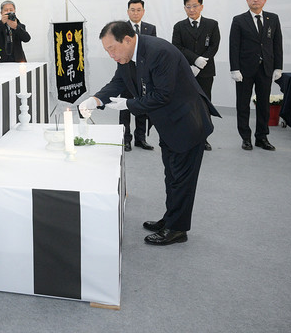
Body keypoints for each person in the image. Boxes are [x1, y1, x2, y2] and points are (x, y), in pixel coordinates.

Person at [79, 21, 219, 246]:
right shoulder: (127, 57)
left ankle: (177, 229)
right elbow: (118, 82)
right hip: (168, 124)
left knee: (182, 180)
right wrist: (95, 100)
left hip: (186, 122)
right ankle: (170, 219)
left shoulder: (159, 52)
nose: (111, 55)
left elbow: (163, 95)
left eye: (112, 49)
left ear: (127, 40)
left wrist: (128, 104)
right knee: (171, 175)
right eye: (107, 51)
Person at [229, 0, 283, 151]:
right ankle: (245, 138)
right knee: (243, 105)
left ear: (265, 0)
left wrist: (278, 67)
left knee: (263, 105)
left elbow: (277, 44)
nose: (255, 0)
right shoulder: (239, 20)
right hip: (244, 69)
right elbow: (234, 46)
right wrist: (234, 69)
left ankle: (262, 137)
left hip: (266, 68)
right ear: (247, 0)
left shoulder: (273, 18)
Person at [172, 0, 220, 151]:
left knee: (204, 104)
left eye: (194, 6)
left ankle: (203, 138)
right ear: (184, 8)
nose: (191, 9)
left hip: (206, 72)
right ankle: (187, 136)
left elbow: (214, 46)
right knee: (186, 104)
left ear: (201, 6)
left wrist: (200, 63)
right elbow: (177, 47)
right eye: (188, 7)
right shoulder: (179, 26)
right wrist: (194, 60)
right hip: (186, 71)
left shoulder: (212, 24)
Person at [121, 0, 156, 152]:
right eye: (132, 10)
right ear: (128, 11)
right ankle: (125, 139)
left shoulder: (150, 28)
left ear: (143, 11)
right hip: (126, 74)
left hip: (144, 75)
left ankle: (140, 138)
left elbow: (152, 50)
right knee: (125, 107)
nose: (135, 13)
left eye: (138, 10)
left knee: (142, 106)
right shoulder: (120, 29)